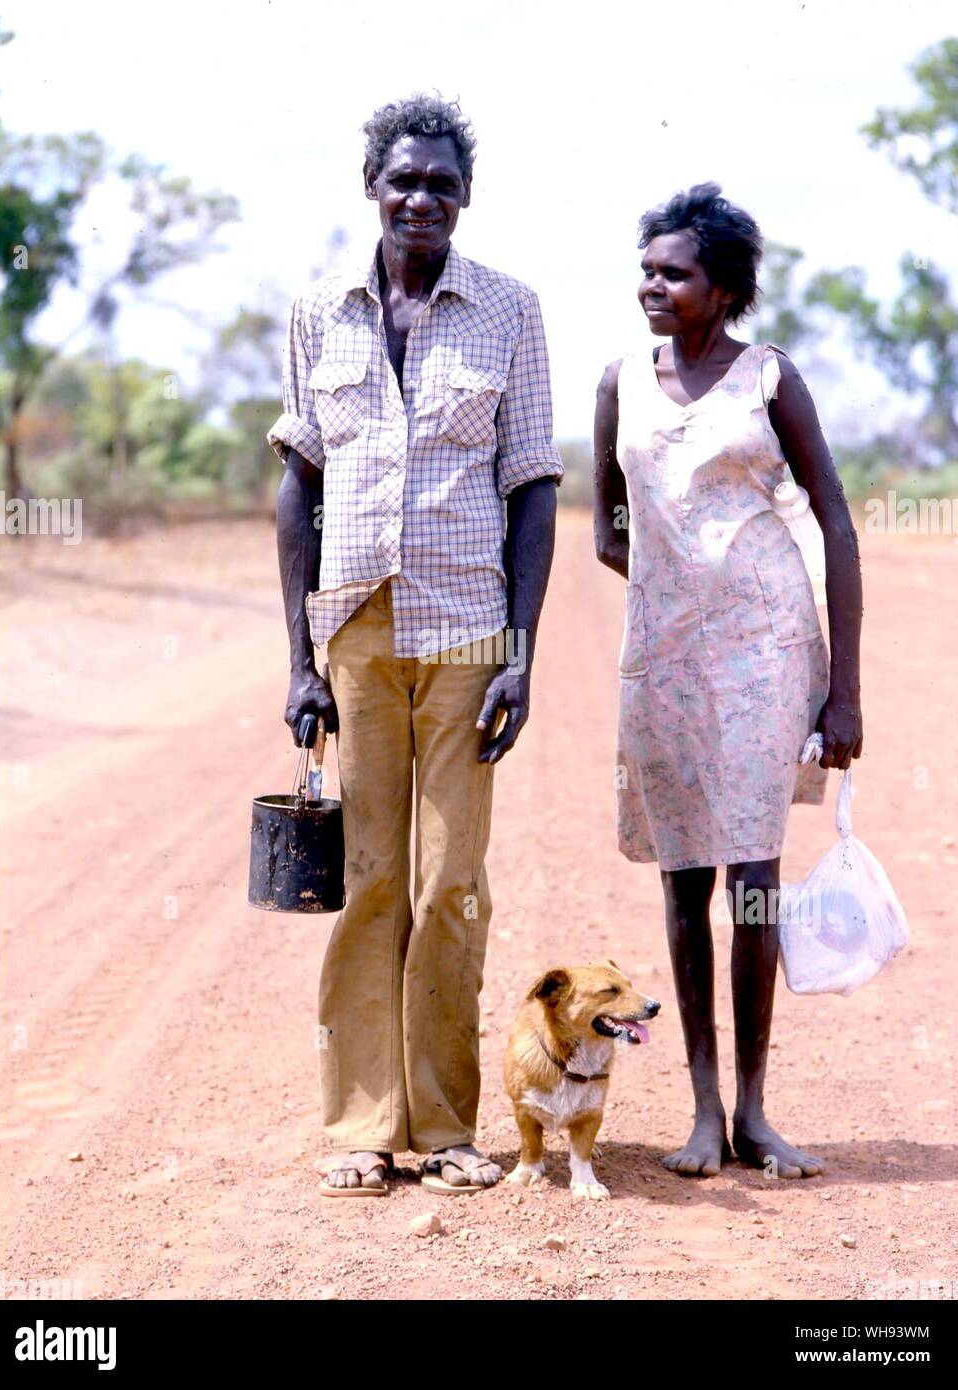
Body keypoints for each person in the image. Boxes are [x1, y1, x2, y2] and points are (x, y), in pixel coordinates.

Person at [268, 94, 563, 1196]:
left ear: (464, 196)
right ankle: (359, 1127)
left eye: (441, 182)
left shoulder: (508, 312)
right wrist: (299, 660)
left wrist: (523, 653)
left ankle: (443, 1126)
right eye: (404, 180)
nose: (421, 198)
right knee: (369, 877)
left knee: (450, 883)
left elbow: (532, 487)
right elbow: (296, 490)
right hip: (354, 624)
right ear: (373, 189)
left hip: (468, 630)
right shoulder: (318, 316)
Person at [593, 182, 863, 1178]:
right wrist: (677, 587)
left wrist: (843, 693)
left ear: (723, 288)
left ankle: (754, 1109)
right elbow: (606, 530)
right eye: (648, 270)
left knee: (751, 875)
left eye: (676, 273)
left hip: (765, 648)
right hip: (662, 656)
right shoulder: (619, 379)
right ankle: (700, 1109)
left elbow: (834, 518)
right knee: (682, 878)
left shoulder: (768, 379)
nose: (653, 286)